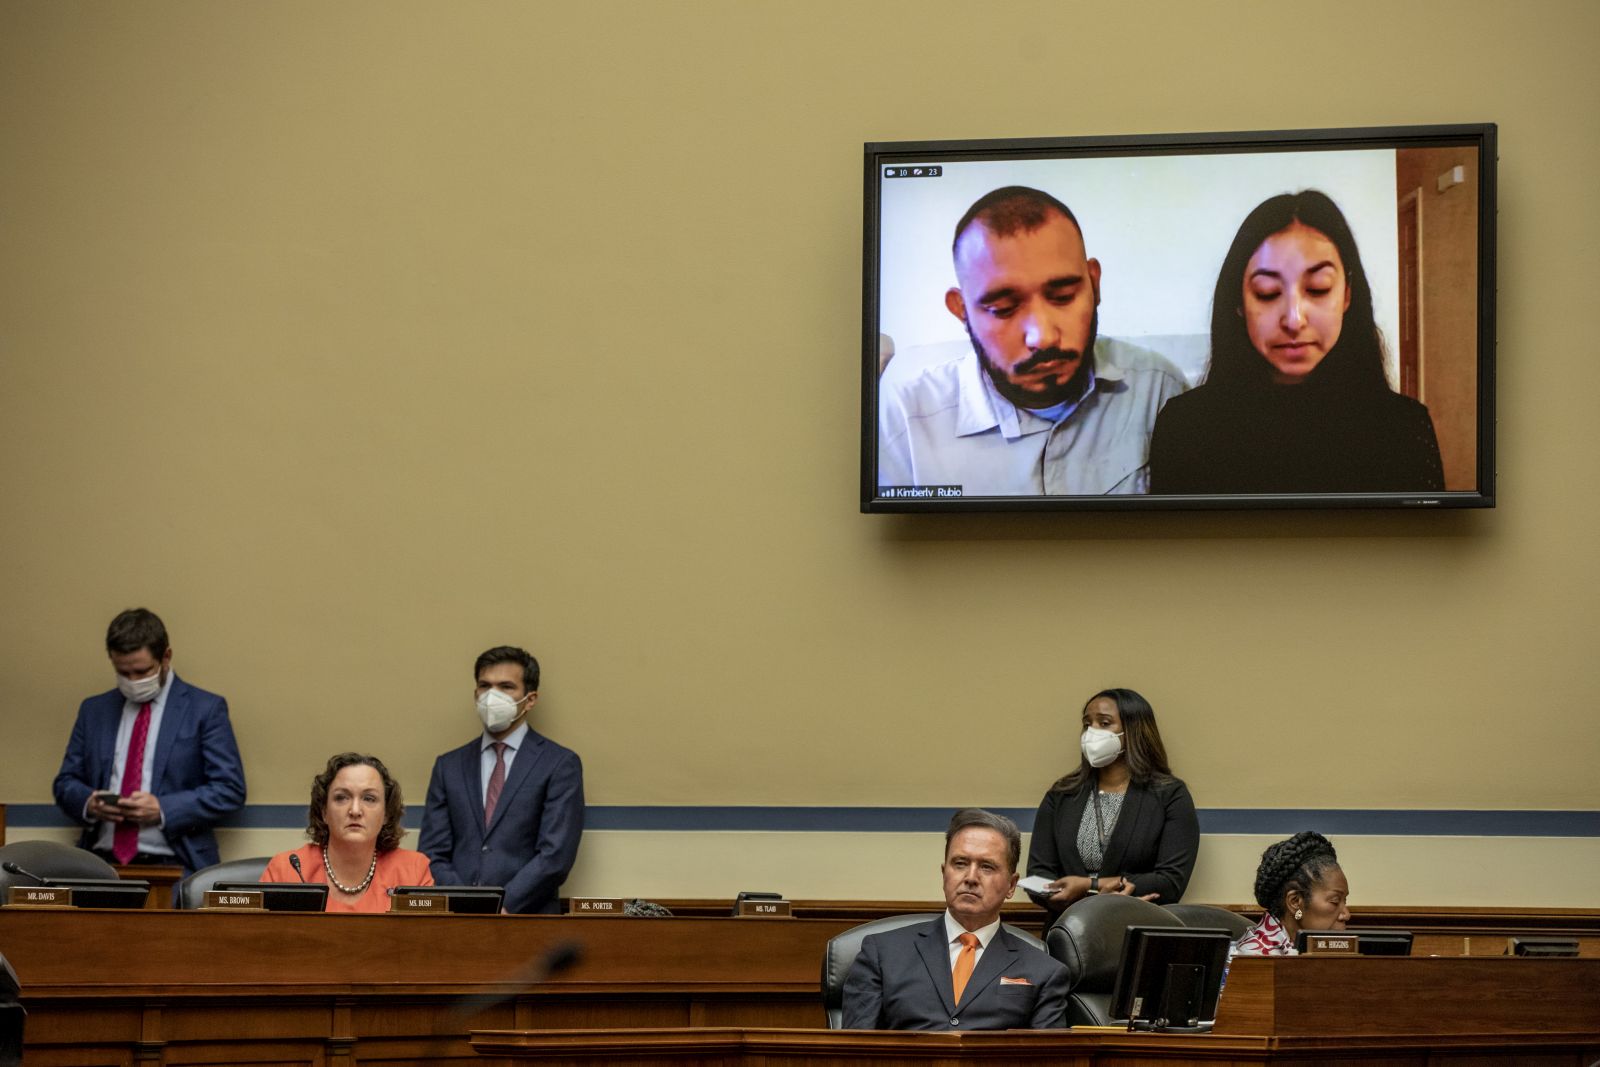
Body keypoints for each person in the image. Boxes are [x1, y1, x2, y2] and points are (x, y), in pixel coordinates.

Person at [878, 186, 1187, 496]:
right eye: (1003, 309)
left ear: (1094, 283)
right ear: (961, 310)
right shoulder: (906, 421)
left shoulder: (1159, 388)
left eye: (1063, 297)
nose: (1043, 336)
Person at [1149, 190, 1444, 494]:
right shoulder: (1185, 427)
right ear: (1238, 302)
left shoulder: (1404, 429)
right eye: (1267, 292)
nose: (1294, 319)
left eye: (1318, 289)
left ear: (1347, 295)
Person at [52, 608, 246, 873]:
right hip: (102, 865)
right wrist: (91, 803)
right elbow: (65, 783)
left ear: (165, 657)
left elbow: (230, 789)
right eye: (123, 673)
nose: (133, 681)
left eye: (142, 672)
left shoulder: (205, 709)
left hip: (177, 865)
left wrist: (163, 808)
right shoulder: (94, 710)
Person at [842, 809, 1069, 1030]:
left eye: (987, 867)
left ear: (1011, 885)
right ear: (944, 874)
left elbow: (1050, 1059)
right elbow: (854, 1053)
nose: (970, 877)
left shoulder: (1044, 971)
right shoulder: (882, 954)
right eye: (960, 864)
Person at [419, 645, 583, 914]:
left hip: (528, 918)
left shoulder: (559, 764)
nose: (492, 696)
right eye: (485, 686)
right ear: (475, 694)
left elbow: (555, 856)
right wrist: (464, 903)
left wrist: (503, 905)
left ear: (530, 699)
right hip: (455, 920)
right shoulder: (448, 766)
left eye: (506, 687)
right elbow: (431, 853)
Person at [1026, 688, 1199, 914]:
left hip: (1138, 929)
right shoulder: (1062, 794)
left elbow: (1170, 882)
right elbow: (1038, 875)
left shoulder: (1169, 795)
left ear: (1133, 731)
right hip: (1068, 930)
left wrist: (1090, 885)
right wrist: (1083, 896)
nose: (1092, 732)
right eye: (1088, 724)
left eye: (1104, 723)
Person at [262, 753, 433, 913]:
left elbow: (425, 940)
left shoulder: (413, 871)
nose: (355, 810)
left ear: (386, 814)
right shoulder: (286, 870)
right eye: (342, 797)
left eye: (369, 798)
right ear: (324, 811)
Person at [1232, 831, 1349, 956]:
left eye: (1345, 901)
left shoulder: (1312, 949)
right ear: (1295, 902)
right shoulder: (1255, 959)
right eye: (1335, 901)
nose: (1346, 915)